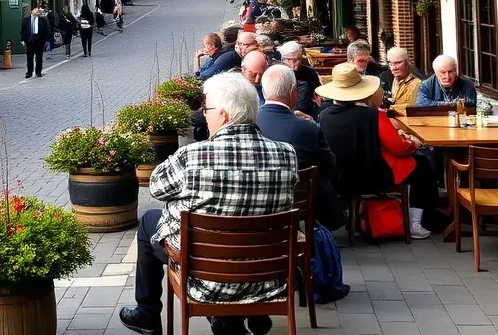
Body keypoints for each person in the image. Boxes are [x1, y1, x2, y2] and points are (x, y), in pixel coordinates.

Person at [118, 72, 298, 335]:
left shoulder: (192, 156)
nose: (204, 115)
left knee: (148, 220)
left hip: (206, 280)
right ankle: (231, 319)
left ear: (223, 115)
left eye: (207, 109)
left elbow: (156, 186)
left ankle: (147, 314)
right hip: (265, 278)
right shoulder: (286, 154)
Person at [316, 63, 436, 239]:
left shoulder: (323, 115)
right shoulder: (374, 115)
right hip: (373, 176)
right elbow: (399, 148)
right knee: (423, 165)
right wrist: (415, 144)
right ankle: (415, 222)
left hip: (339, 178)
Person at [258, 66, 346, 240]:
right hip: (301, 206)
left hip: (260, 205)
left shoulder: (251, 121)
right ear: (293, 92)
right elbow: (330, 165)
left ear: (263, 89)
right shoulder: (308, 128)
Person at [279, 41, 322, 118]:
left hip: (308, 115)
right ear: (284, 60)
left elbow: (317, 95)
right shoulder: (277, 75)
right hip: (286, 115)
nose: (298, 63)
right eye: (294, 60)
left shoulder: (310, 72)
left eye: (300, 59)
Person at [21, 6, 51, 78]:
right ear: (32, 11)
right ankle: (29, 72)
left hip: (39, 39)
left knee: (39, 57)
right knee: (30, 57)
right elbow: (22, 31)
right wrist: (23, 40)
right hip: (30, 40)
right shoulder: (26, 20)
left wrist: (46, 40)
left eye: (38, 10)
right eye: (36, 10)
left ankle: (38, 72)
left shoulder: (42, 20)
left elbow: (46, 30)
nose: (38, 11)